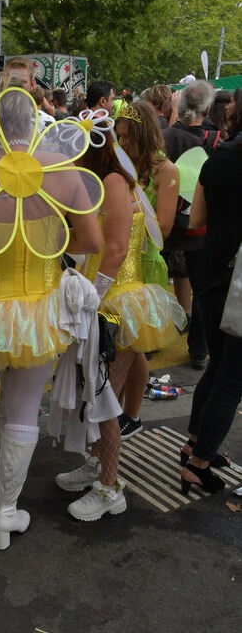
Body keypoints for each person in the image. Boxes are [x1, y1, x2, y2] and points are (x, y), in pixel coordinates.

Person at [0, 85, 103, 548]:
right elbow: (90, 241)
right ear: (34, 121)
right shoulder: (63, 171)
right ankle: (5, 515)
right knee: (24, 409)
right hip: (38, 308)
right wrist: (49, 239)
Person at [56, 120, 185, 520]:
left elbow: (113, 249)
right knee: (97, 390)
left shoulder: (112, 181)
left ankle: (110, 487)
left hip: (118, 303)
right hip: (110, 300)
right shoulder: (108, 179)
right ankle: (98, 465)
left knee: (103, 396)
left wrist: (94, 294)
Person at [180, 111, 242, 494]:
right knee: (233, 377)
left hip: (210, 270)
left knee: (220, 366)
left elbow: (197, 218)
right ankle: (199, 462)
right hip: (239, 282)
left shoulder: (216, 156)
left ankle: (194, 443)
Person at [114, 101, 180, 439]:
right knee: (119, 346)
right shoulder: (121, 165)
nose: (123, 144)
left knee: (136, 346)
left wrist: (130, 210)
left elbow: (165, 227)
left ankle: (131, 414)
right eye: (119, 137)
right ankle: (114, 412)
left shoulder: (164, 170)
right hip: (116, 263)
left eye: (128, 137)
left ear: (144, 134)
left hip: (145, 262)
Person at [162, 80, 214, 369]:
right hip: (199, 227)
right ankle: (198, 350)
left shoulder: (166, 136)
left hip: (165, 224)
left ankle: (148, 343)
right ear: (207, 108)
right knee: (202, 289)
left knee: (154, 283)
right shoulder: (215, 142)